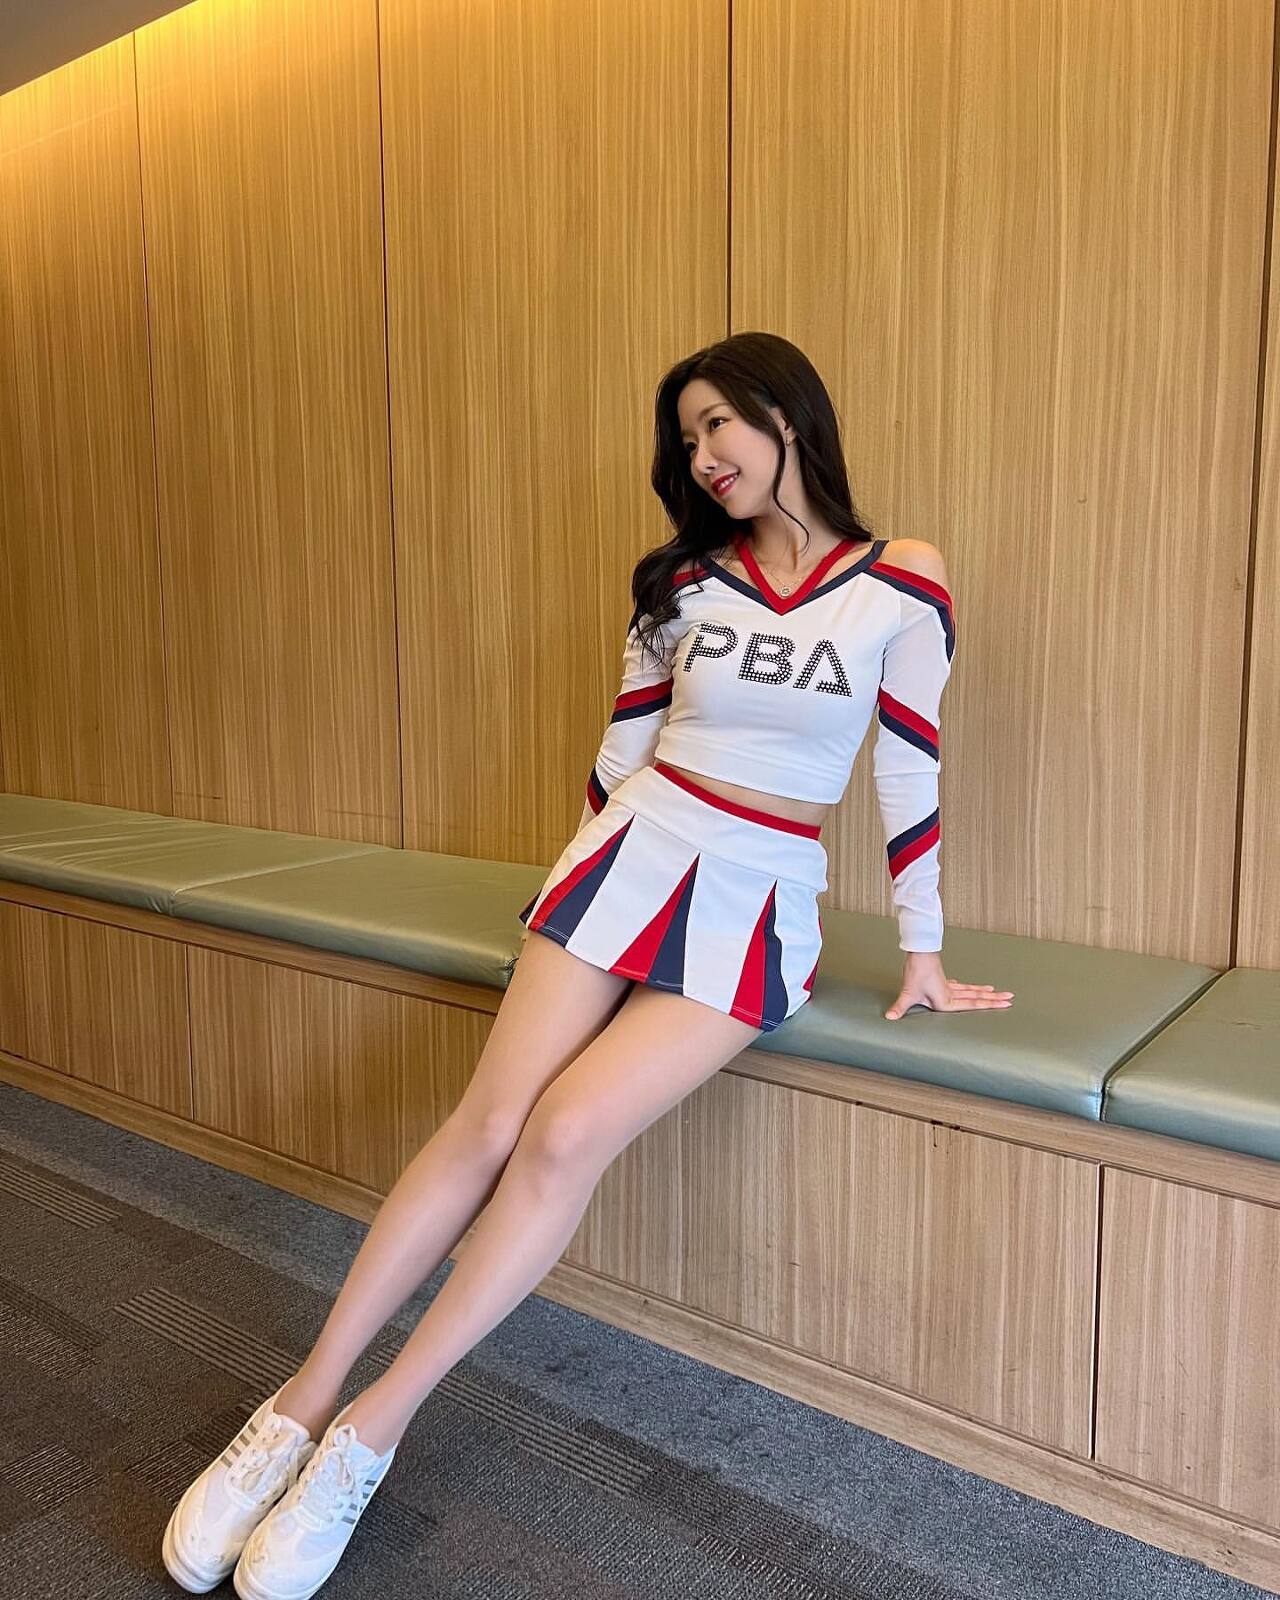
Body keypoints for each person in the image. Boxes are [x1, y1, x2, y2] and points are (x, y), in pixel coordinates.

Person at [162, 331, 1014, 1599]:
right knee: (487, 1121)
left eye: (719, 422)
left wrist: (922, 946)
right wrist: (566, 890)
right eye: (686, 435)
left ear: (786, 416)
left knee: (563, 1136)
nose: (703, 453)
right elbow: (624, 750)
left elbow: (907, 764)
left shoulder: (903, 578)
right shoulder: (684, 581)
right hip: (628, 854)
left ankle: (370, 1432)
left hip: (758, 895)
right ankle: (298, 1400)